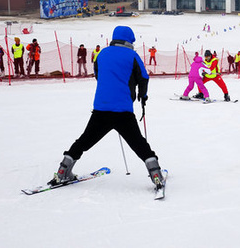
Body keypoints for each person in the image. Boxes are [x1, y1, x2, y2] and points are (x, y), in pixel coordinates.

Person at [49, 26, 164, 191]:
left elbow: (98, 74)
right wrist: (142, 96)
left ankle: (63, 170)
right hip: (123, 110)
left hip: (101, 108)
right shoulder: (132, 55)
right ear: (129, 40)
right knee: (139, 144)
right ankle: (156, 175)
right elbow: (144, 77)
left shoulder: (102, 54)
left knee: (84, 141)